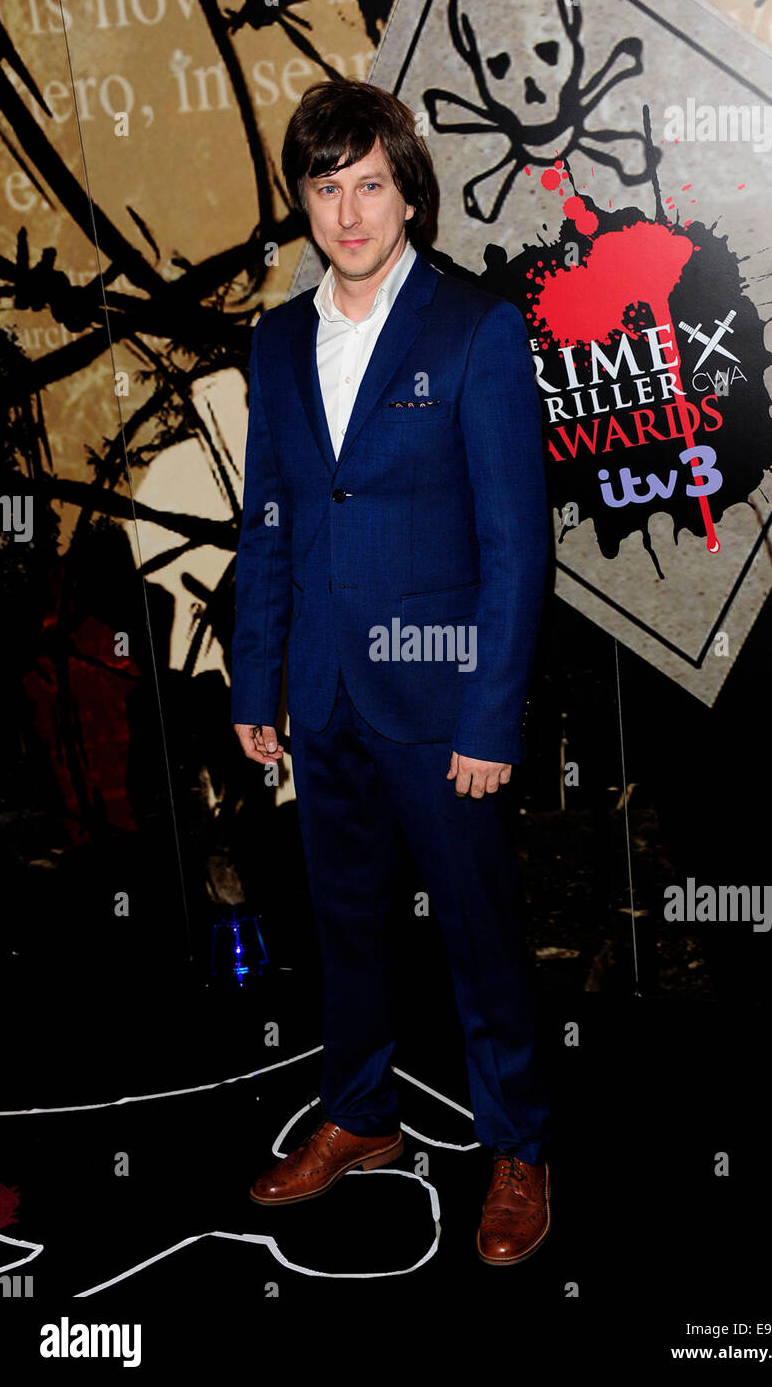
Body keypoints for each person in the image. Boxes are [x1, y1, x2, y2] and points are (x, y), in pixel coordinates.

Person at [230, 78, 552, 1265]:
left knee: (477, 933)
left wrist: (490, 715)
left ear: (407, 193)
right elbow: (265, 519)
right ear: (303, 203)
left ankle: (518, 1142)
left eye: (370, 184)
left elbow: (519, 547)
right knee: (345, 926)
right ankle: (361, 1115)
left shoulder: (473, 327)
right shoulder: (274, 339)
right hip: (320, 692)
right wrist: (254, 680)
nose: (349, 211)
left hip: (441, 700)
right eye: (327, 187)